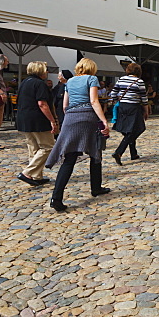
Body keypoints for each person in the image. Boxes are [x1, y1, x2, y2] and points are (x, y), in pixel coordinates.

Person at [46, 58, 110, 211]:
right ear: (92, 68)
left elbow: (64, 105)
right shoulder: (92, 78)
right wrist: (104, 121)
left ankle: (56, 197)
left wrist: (69, 117)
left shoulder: (69, 82)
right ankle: (96, 187)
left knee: (70, 158)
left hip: (70, 118)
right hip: (87, 116)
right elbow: (94, 101)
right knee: (95, 151)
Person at [16, 61, 59, 185]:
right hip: (38, 119)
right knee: (48, 146)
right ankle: (28, 172)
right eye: (46, 69)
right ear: (40, 71)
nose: (47, 72)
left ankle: (36, 177)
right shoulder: (40, 84)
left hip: (24, 118)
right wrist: (52, 120)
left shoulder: (24, 82)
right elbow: (42, 104)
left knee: (33, 148)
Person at [109, 63, 149, 164]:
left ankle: (133, 153)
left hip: (122, 106)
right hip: (133, 107)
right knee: (139, 128)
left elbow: (113, 93)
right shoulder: (139, 82)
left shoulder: (121, 79)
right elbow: (144, 98)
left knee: (129, 130)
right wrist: (146, 111)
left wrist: (115, 100)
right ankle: (119, 151)